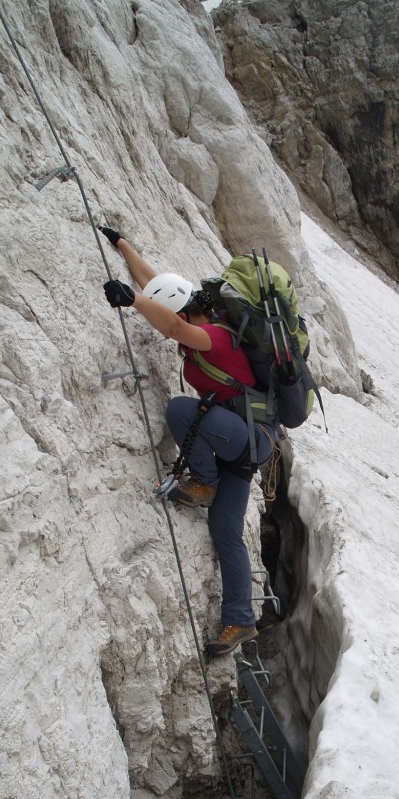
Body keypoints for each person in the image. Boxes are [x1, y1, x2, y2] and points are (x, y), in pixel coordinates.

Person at [100, 226, 276, 657]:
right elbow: (159, 287)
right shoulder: (197, 317)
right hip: (242, 443)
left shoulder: (213, 336)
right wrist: (124, 246)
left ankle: (205, 481)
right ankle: (240, 620)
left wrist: (133, 301)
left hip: (245, 438)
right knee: (225, 532)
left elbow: (174, 325)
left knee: (180, 409)